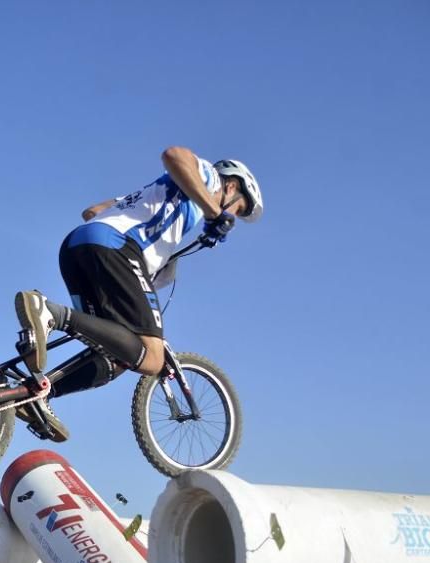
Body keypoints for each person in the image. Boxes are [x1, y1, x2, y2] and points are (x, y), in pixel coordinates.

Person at [13, 147, 264, 441]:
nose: (232, 218)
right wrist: (213, 211)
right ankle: (51, 313)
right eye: (237, 209)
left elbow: (92, 212)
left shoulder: (162, 196)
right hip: (115, 246)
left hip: (77, 246)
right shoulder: (209, 177)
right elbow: (174, 156)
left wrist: (163, 253)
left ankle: (37, 394)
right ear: (232, 186)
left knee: (119, 354)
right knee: (154, 358)